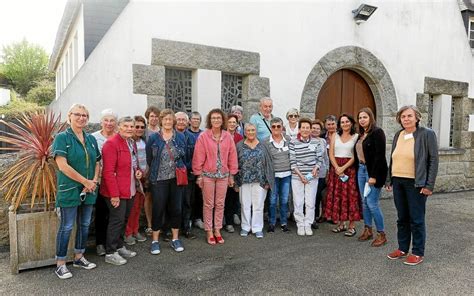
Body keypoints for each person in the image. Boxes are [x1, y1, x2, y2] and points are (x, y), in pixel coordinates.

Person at [53, 103, 100, 279]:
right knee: (66, 226)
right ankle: (61, 264)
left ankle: (79, 257)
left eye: (85, 115)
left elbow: (97, 161)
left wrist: (94, 180)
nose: (81, 118)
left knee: (85, 224)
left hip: (89, 189)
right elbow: (62, 166)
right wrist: (85, 181)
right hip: (70, 189)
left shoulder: (91, 139)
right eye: (78, 114)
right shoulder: (61, 138)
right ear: (69, 116)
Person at [386, 105, 438, 266]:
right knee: (402, 218)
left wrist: (429, 185)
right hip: (399, 181)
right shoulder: (398, 134)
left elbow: (433, 160)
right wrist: (390, 179)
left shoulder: (426, 134)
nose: (406, 119)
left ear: (417, 117)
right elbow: (394, 158)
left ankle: (417, 252)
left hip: (416, 183)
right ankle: (402, 249)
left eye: (409, 116)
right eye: (403, 116)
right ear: (399, 119)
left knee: (416, 219)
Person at [192, 109, 238, 245]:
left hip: (223, 175)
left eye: (218, 118)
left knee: (220, 203)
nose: (216, 120)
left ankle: (217, 229)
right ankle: (209, 230)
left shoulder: (228, 136)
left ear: (222, 120)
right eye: (213, 118)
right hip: (207, 176)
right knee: (208, 204)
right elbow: (198, 157)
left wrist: (232, 175)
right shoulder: (203, 137)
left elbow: (232, 156)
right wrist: (199, 176)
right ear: (209, 120)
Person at [146, 109, 187, 254]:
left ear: (173, 121)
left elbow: (184, 156)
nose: (168, 122)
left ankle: (175, 239)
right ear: (161, 121)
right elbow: (149, 159)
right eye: (165, 119)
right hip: (159, 179)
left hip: (176, 179)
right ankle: (155, 241)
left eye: (170, 119)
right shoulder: (153, 138)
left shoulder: (180, 137)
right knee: (158, 208)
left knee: (176, 209)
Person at [101, 117, 141, 265]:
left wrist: (137, 172)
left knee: (123, 219)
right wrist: (114, 195)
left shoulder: (130, 143)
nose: (130, 128)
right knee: (116, 221)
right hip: (116, 191)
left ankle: (119, 246)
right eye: (126, 126)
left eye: (132, 126)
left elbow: (132, 163)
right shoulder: (111, 144)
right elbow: (108, 172)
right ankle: (110, 252)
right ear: (119, 127)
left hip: (129, 188)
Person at [355, 108, 388, 247]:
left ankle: (382, 234)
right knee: (364, 202)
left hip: (373, 171)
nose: (362, 120)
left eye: (365, 117)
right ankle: (368, 230)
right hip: (361, 170)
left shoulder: (377, 132)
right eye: (360, 117)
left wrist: (373, 176)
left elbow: (380, 156)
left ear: (371, 118)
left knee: (372, 203)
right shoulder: (361, 135)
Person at [325, 114, 361, 237]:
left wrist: (343, 168)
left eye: (347, 121)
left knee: (350, 197)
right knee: (338, 195)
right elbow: (331, 153)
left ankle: (351, 226)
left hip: (349, 169)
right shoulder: (335, 135)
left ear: (351, 123)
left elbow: (354, 156)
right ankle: (341, 224)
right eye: (342, 122)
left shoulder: (356, 136)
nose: (344, 124)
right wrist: (336, 168)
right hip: (336, 168)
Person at [236, 123, 273, 238]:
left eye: (253, 130)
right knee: (245, 204)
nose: (250, 132)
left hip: (260, 180)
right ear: (245, 132)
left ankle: (257, 228)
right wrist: (235, 181)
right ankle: (245, 227)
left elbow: (269, 164)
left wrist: (268, 181)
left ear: (256, 131)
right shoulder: (239, 145)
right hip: (243, 180)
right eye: (248, 130)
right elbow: (234, 163)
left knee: (258, 205)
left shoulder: (263, 145)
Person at [289, 118, 324, 236]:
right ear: (299, 129)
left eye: (307, 128)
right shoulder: (293, 142)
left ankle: (308, 224)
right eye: (303, 127)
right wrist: (301, 176)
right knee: (298, 202)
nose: (305, 130)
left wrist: (315, 169)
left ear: (310, 130)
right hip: (297, 176)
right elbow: (292, 162)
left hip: (312, 176)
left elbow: (319, 159)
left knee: (310, 202)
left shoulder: (316, 142)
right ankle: (300, 224)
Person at [91, 109, 117, 256]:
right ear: (101, 122)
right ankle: (100, 243)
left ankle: (112, 243)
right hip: (100, 181)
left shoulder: (119, 138)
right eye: (106, 120)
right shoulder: (93, 138)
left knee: (115, 215)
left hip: (115, 183)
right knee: (101, 213)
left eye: (112, 120)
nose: (109, 123)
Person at [264, 117, 291, 233]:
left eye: (278, 126)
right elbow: (264, 161)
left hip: (286, 174)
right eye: (273, 126)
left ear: (282, 127)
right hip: (273, 176)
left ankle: (284, 222)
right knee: (273, 200)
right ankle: (272, 222)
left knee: (284, 200)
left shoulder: (288, 139)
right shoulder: (266, 142)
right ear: (270, 128)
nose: (276, 129)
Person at [124, 116, 148, 245]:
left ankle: (135, 230)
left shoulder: (144, 141)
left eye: (142, 127)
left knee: (139, 206)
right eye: (136, 127)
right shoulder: (128, 142)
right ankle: (128, 233)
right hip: (132, 179)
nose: (139, 129)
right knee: (131, 208)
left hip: (143, 178)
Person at [175, 111, 197, 239]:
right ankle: (172, 228)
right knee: (173, 203)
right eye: (179, 119)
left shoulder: (192, 137)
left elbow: (196, 155)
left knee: (187, 202)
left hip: (188, 174)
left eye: (183, 120)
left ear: (188, 122)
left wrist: (186, 167)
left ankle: (186, 228)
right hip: (173, 175)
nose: (181, 122)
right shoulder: (170, 135)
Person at [224, 114, 244, 233]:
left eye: (234, 122)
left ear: (237, 124)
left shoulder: (239, 137)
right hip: (223, 170)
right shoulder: (222, 135)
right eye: (229, 122)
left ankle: (230, 220)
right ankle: (224, 219)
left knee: (233, 196)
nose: (232, 124)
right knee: (223, 198)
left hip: (235, 170)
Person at [316, 115, 337, 224]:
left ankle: (333, 216)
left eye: (333, 124)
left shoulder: (339, 136)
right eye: (328, 124)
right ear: (325, 125)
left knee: (334, 192)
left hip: (337, 167)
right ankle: (324, 214)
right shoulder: (322, 136)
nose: (331, 126)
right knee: (322, 192)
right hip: (324, 168)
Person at [143, 105, 160, 236]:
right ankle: (149, 224)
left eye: (156, 116)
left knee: (161, 197)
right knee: (148, 196)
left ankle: (159, 223)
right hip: (147, 168)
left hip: (161, 169)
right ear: (148, 118)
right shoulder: (144, 132)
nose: (154, 118)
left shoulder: (162, 131)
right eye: (151, 116)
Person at [311, 119, 329, 229]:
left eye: (318, 128)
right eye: (313, 128)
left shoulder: (323, 141)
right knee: (310, 196)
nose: (315, 130)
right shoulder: (307, 140)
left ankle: (314, 217)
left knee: (317, 195)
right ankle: (308, 216)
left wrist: (327, 170)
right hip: (310, 173)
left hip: (321, 173)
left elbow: (326, 158)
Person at [188, 111, 205, 230]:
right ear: (190, 121)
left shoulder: (204, 134)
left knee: (200, 197)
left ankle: (198, 218)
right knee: (189, 197)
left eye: (198, 119)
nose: (195, 121)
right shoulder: (186, 134)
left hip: (202, 171)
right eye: (193, 119)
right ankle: (188, 219)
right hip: (189, 171)